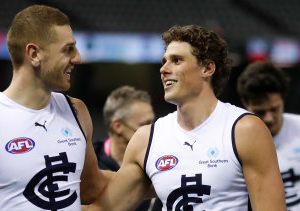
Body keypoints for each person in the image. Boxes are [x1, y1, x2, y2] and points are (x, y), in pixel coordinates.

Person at [84, 25, 286, 211]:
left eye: (176, 60)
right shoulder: (146, 139)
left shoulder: (245, 129)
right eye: (164, 61)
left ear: (207, 68)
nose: (163, 69)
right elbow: (103, 208)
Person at [0, 5, 110, 211]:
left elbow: (92, 187)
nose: (78, 58)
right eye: (68, 49)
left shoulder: (76, 111)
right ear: (34, 54)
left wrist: (154, 175)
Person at [237, 61, 300, 210]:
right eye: (261, 111)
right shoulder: (236, 143)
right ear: (245, 103)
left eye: (274, 109)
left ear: (282, 99)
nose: (269, 118)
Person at [93, 85, 162, 211]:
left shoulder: (162, 160)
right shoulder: (89, 160)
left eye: (153, 123)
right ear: (118, 126)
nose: (151, 131)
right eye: (144, 124)